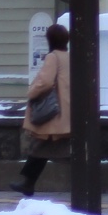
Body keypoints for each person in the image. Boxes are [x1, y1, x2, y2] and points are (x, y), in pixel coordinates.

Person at [13, 22, 70, 197]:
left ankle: (28, 183)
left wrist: (31, 92)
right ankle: (27, 183)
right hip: (66, 111)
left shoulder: (53, 57)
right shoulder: (69, 56)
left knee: (43, 146)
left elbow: (45, 82)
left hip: (54, 112)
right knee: (43, 147)